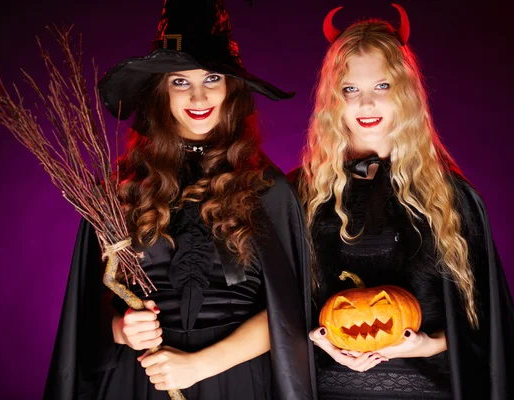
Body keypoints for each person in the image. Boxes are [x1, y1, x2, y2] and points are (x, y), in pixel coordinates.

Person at [43, 1, 315, 399]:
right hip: (140, 379)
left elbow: (290, 313)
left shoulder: (268, 189)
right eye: (180, 82)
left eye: (213, 78)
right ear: (160, 92)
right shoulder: (121, 190)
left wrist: (198, 366)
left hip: (235, 381)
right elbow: (86, 307)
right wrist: (121, 329)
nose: (199, 96)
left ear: (231, 89)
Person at [289, 4, 514, 399]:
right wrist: (320, 340)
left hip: (426, 389)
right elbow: (275, 307)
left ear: (405, 93)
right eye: (350, 89)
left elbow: (485, 324)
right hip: (330, 389)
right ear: (333, 100)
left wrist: (427, 344)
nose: (366, 104)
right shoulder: (300, 193)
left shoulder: (449, 196)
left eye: (381, 87)